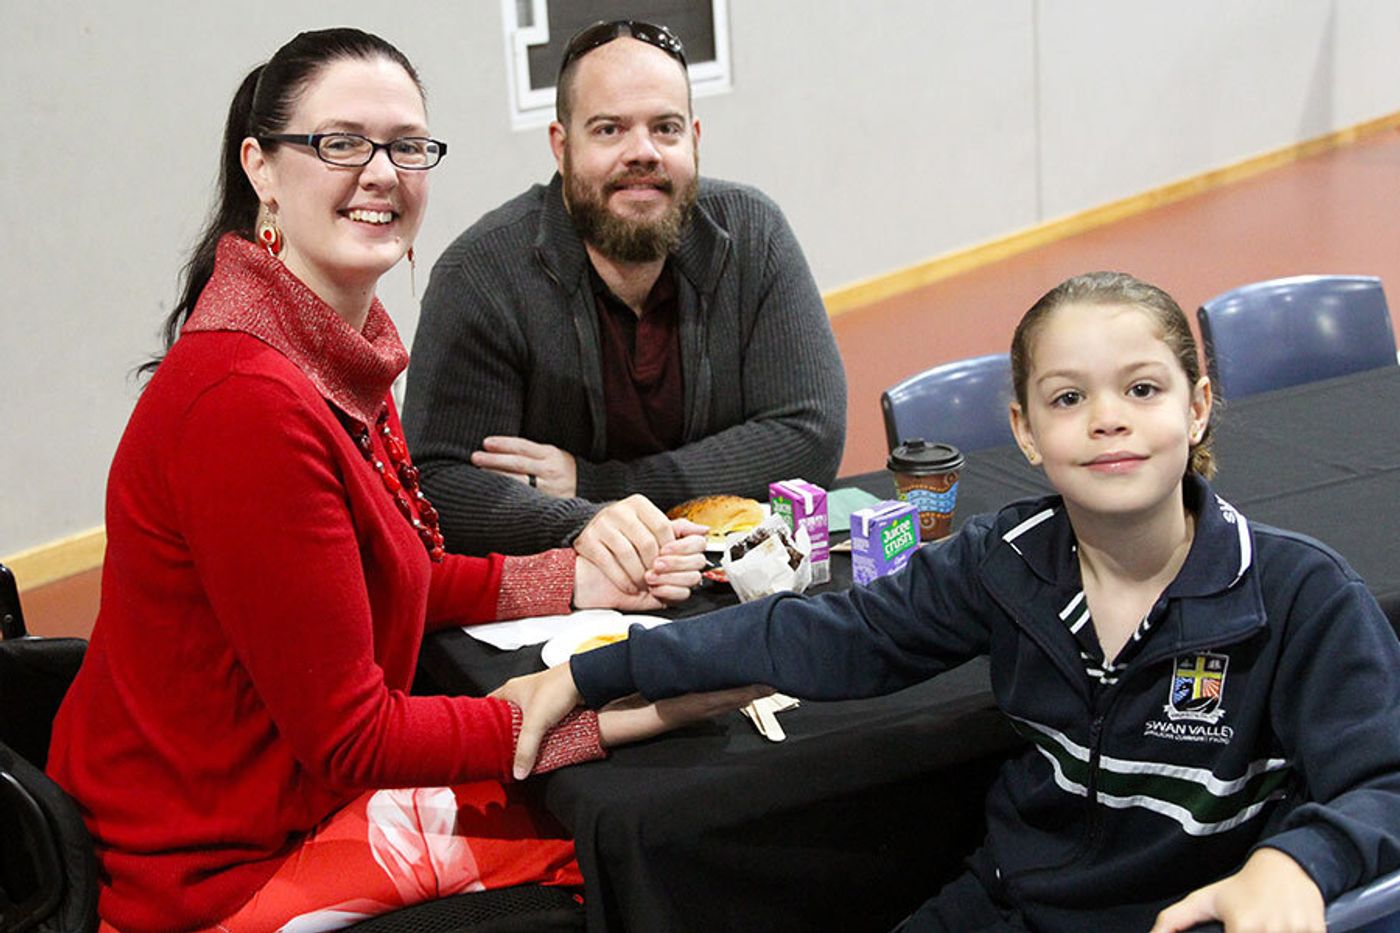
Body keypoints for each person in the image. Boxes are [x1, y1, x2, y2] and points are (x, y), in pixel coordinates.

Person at [46, 28, 757, 933]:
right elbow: (353, 739)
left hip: (270, 802)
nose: (381, 173)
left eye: (407, 146)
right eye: (341, 143)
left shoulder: (326, 339)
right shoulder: (247, 402)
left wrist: (579, 578)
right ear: (262, 169)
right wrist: (612, 708)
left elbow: (387, 575)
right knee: (639, 846)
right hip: (212, 863)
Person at [501, 271, 1400, 932]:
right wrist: (598, 669)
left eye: (1142, 388)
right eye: (1068, 397)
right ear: (1024, 431)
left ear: (1198, 407)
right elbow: (829, 632)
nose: (1108, 417)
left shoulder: (1300, 595)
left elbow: (1384, 779)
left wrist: (1298, 861)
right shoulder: (1004, 561)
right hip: (1010, 904)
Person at [402, 19, 847, 594]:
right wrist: (581, 523)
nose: (643, 152)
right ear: (562, 146)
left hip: (736, 588)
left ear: (695, 140)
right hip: (572, 608)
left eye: (666, 128)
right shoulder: (482, 275)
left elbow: (810, 435)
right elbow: (438, 485)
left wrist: (595, 485)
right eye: (609, 129)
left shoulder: (754, 234)